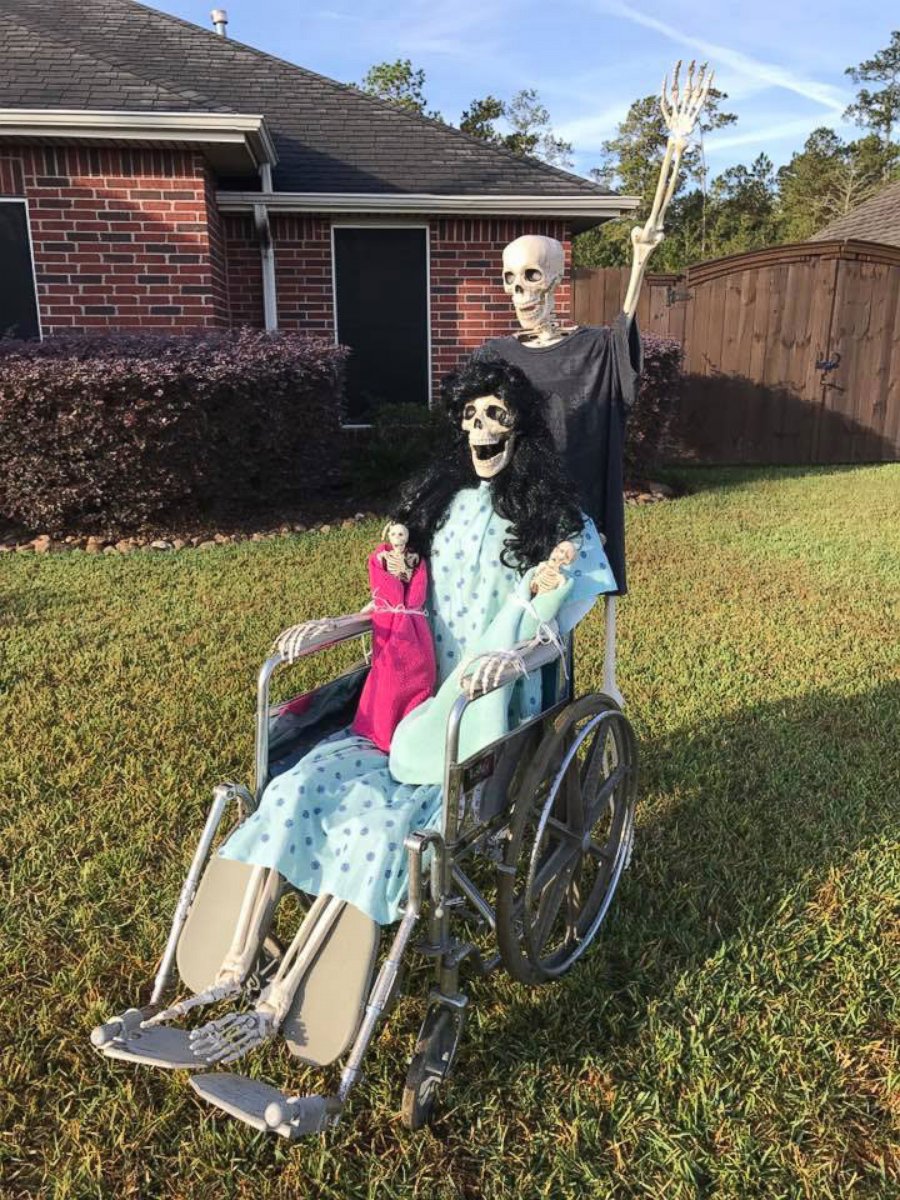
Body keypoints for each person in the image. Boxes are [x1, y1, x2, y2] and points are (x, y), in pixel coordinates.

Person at [218, 358, 617, 925]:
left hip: (488, 708)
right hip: (408, 696)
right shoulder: (436, 507)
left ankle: (332, 943)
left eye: (495, 414)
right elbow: (402, 601)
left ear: (520, 425)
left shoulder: (555, 522)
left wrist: (509, 661)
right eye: (469, 415)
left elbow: (555, 635)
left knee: (383, 827)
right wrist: (338, 625)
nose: (480, 428)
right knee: (294, 789)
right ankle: (238, 954)